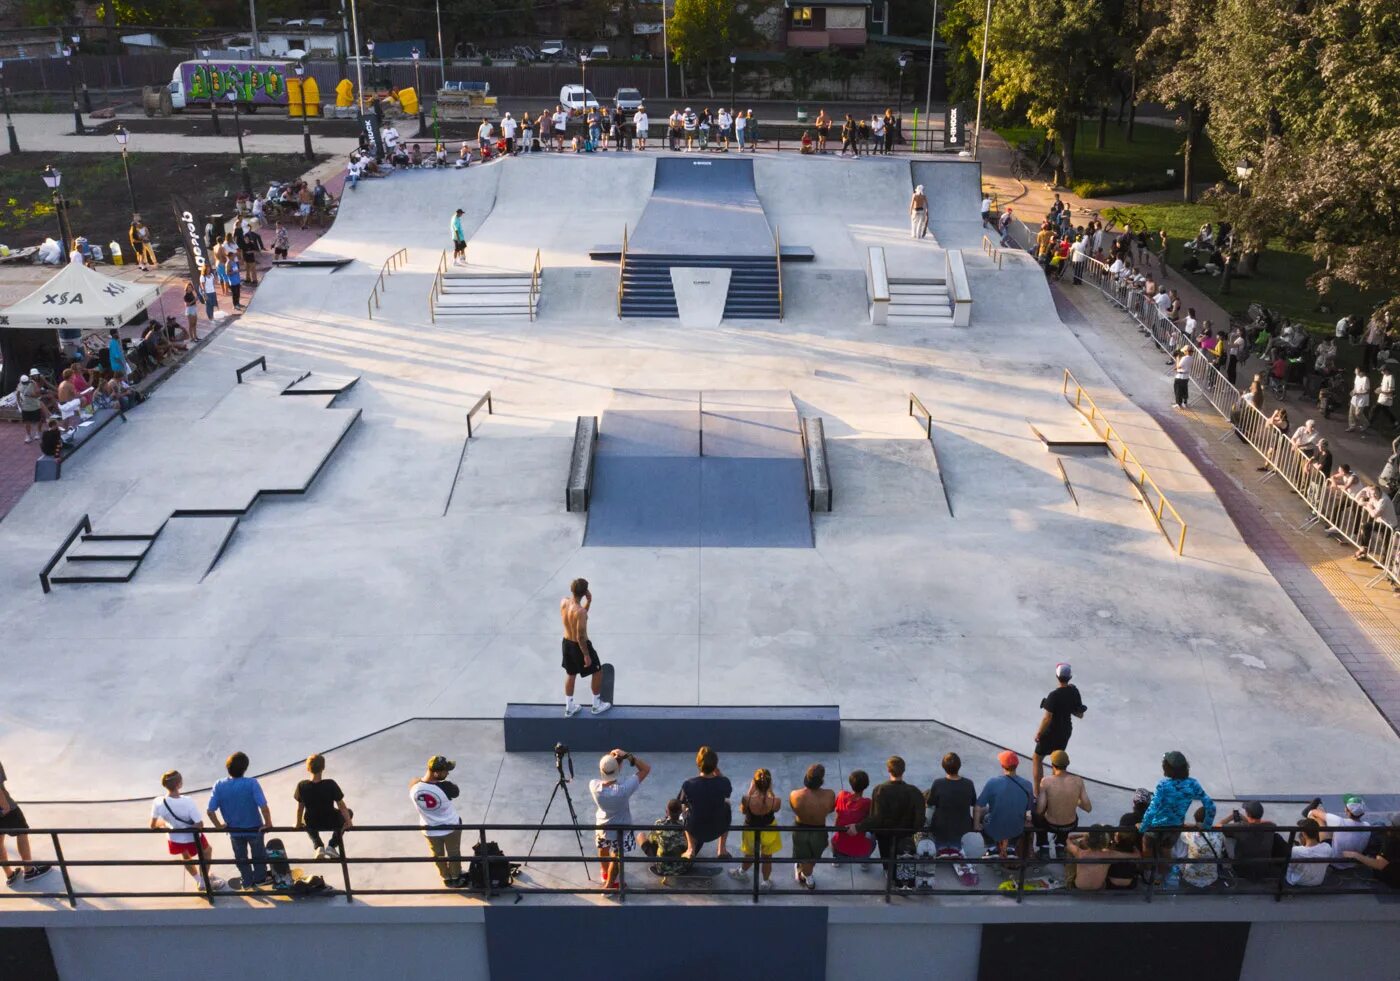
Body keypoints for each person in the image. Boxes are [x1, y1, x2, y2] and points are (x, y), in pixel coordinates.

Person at [849, 756, 925, 888]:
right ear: (903, 770)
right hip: (905, 835)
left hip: (885, 835)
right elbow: (920, 819)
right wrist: (913, 831)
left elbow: (876, 818)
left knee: (886, 854)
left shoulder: (880, 790)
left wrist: (858, 827)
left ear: (888, 771)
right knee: (901, 856)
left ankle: (887, 871)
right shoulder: (914, 792)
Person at [1139, 750, 1214, 881]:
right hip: (1175, 826)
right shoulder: (1193, 784)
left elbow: (1152, 809)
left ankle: (1147, 872)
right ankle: (1162, 876)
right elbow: (1210, 805)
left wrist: (1143, 826)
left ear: (1167, 768)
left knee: (1147, 844)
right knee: (1166, 849)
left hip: (1156, 826)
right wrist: (1206, 825)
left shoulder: (1163, 785)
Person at [206, 751, 271, 889]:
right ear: (245, 768)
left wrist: (218, 826)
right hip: (254, 829)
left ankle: (246, 881)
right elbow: (263, 806)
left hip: (234, 831)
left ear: (227, 768)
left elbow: (210, 811)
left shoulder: (219, 785)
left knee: (241, 858)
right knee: (258, 856)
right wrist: (268, 823)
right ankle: (260, 879)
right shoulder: (252, 783)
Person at [150, 770, 223, 891]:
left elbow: (153, 825)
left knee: (185, 857)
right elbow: (199, 824)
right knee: (207, 851)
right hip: (192, 837)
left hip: (174, 838)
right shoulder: (187, 801)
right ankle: (204, 881)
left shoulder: (158, 802)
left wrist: (167, 824)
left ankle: (199, 880)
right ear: (179, 784)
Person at [590, 748, 651, 891]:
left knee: (603, 848)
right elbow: (645, 769)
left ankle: (605, 873)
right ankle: (610, 885)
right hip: (620, 830)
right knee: (617, 857)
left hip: (602, 827)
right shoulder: (624, 789)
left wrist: (611, 762)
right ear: (618, 769)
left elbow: (606, 776)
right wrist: (628, 757)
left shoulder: (593, 785)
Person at [919, 751, 978, 887]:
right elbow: (974, 803)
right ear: (959, 766)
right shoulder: (969, 783)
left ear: (943, 767)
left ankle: (941, 846)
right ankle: (955, 846)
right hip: (962, 826)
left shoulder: (938, 783)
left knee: (931, 810)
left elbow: (931, 803)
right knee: (955, 831)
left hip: (940, 826)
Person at [410, 755, 467, 888]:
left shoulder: (413, 786)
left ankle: (446, 878)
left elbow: (418, 782)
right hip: (450, 828)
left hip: (429, 829)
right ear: (436, 773)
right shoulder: (447, 787)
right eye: (446, 771)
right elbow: (456, 792)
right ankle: (456, 877)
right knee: (454, 853)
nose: (447, 773)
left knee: (437, 855)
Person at [1032, 661, 1086, 794]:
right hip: (1065, 731)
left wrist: (1039, 733)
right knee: (1056, 761)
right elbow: (1080, 714)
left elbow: (1047, 718)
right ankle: (1054, 793)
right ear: (1070, 677)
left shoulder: (1053, 695)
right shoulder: (1074, 691)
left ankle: (1037, 792)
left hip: (1051, 732)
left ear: (1056, 676)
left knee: (1037, 758)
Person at [560, 577, 610, 717]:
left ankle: (569, 707)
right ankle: (596, 705)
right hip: (579, 645)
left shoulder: (564, 602)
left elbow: (576, 618)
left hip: (566, 643)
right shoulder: (580, 612)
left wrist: (588, 602)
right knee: (597, 671)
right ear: (585, 592)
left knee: (571, 673)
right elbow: (580, 636)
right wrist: (586, 655)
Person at [976, 750, 1034, 861]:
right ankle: (1011, 848)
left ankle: (992, 848)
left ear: (1002, 765)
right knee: (1015, 816)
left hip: (995, 826)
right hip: (1017, 828)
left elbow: (979, 805)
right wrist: (1028, 819)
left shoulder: (993, 782)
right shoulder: (1027, 784)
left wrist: (976, 824)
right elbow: (1029, 809)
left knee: (982, 813)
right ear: (1017, 765)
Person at [0, 760, 52, 885]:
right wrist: (5, 807)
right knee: (22, 833)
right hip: (5, 808)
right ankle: (29, 870)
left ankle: (9, 874)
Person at [678, 746, 732, 861]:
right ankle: (721, 849)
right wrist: (717, 771)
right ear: (715, 765)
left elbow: (680, 803)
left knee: (683, 808)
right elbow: (727, 791)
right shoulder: (724, 782)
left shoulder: (688, 784)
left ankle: (690, 849)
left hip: (695, 829)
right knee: (727, 805)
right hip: (717, 829)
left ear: (698, 764)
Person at [295, 753, 353, 860]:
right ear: (323, 768)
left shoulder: (302, 786)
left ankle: (318, 846)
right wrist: (348, 821)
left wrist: (298, 824)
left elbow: (300, 809)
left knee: (305, 818)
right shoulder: (330, 784)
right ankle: (331, 846)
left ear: (308, 768)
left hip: (313, 823)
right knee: (348, 812)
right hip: (330, 821)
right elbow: (342, 806)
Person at [1033, 750, 1091, 855]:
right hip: (1070, 825)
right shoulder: (1078, 781)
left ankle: (1044, 846)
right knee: (1068, 812)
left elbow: (1040, 809)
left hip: (1051, 825)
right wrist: (1074, 800)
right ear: (1067, 764)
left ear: (1052, 765)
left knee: (1035, 815)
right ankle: (1060, 845)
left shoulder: (1046, 781)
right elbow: (1088, 808)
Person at [788, 764, 836, 890]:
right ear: (821, 780)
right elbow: (831, 810)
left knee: (807, 858)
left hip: (800, 829)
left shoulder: (794, 794)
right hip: (818, 830)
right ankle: (807, 877)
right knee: (811, 859)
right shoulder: (830, 795)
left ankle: (803, 869)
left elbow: (794, 809)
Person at [732, 769, 781, 889]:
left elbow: (743, 811)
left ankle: (742, 872)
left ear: (754, 783)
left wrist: (750, 791)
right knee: (767, 857)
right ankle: (765, 882)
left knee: (749, 854)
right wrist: (770, 792)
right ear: (769, 783)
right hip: (769, 831)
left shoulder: (746, 799)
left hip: (750, 831)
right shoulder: (776, 801)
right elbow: (775, 809)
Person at [1303, 795, 1373, 869]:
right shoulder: (1367, 826)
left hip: (1333, 861)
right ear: (1363, 813)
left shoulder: (1339, 821)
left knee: (1319, 818)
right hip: (1353, 863)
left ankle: (1307, 815)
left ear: (1347, 810)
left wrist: (1312, 811)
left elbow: (1315, 812)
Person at [1341, 815, 1400, 888]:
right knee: (1380, 825)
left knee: (1376, 832)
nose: (1390, 825)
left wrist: (1357, 856)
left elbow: (1380, 865)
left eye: (1392, 825)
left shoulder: (1391, 842)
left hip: (1392, 877)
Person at [831, 770, 874, 869]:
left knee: (834, 837)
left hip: (840, 845)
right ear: (866, 785)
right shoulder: (867, 803)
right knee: (873, 837)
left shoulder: (841, 795)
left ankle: (836, 859)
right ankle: (864, 862)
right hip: (860, 848)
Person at [1176, 805, 1225, 888]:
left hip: (1190, 878)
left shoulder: (1190, 834)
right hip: (1212, 878)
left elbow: (1181, 825)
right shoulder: (1218, 834)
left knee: (1182, 844)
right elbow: (1219, 825)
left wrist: (1191, 826)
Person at [1065, 826, 1120, 891]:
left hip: (1078, 887)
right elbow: (1134, 855)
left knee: (1072, 848)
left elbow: (1068, 839)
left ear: (1087, 841)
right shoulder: (1109, 854)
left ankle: (1069, 880)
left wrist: (1083, 834)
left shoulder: (1080, 853)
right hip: (1099, 888)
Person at [646, 799, 689, 879]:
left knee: (642, 836)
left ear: (667, 811)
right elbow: (686, 846)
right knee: (693, 840)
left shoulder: (659, 824)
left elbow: (651, 840)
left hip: (661, 868)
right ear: (680, 812)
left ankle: (656, 860)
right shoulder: (685, 826)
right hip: (681, 868)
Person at [1285, 818, 1332, 887]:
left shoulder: (1296, 850)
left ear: (1303, 834)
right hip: (1318, 881)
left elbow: (1290, 867)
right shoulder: (1327, 847)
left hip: (1298, 881)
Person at [15, 369, 43, 443]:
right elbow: (17, 394)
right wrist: (19, 405)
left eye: (26, 382)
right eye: (24, 383)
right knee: (27, 422)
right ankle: (28, 435)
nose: (25, 383)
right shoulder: (19, 385)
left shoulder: (33, 383)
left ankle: (38, 432)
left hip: (35, 406)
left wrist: (32, 395)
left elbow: (38, 394)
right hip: (25, 408)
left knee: (38, 420)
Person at [1348, 366, 1371, 432]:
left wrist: (1359, 393)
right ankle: (1352, 426)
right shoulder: (1357, 377)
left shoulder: (1366, 379)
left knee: (1358, 413)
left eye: (1356, 371)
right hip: (1355, 397)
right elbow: (1355, 386)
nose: (1355, 372)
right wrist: (1353, 391)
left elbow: (1367, 391)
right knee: (1351, 412)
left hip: (1362, 398)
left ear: (1361, 372)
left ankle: (1366, 424)